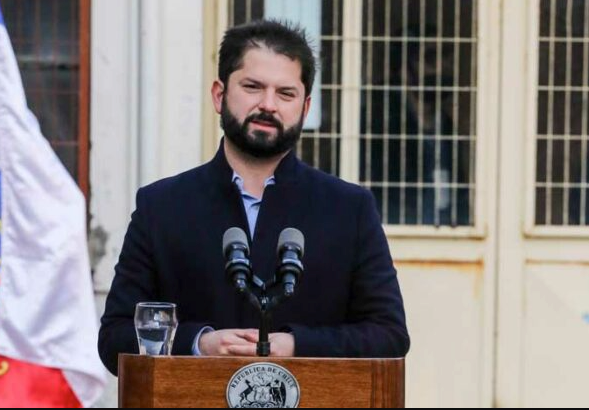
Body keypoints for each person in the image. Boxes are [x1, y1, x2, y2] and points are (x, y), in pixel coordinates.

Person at [98, 19, 410, 376]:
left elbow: (389, 335)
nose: (268, 105)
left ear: (305, 108)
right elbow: (115, 338)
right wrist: (199, 343)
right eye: (252, 87)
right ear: (219, 95)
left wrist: (296, 345)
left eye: (285, 93)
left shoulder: (349, 209)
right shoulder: (162, 207)